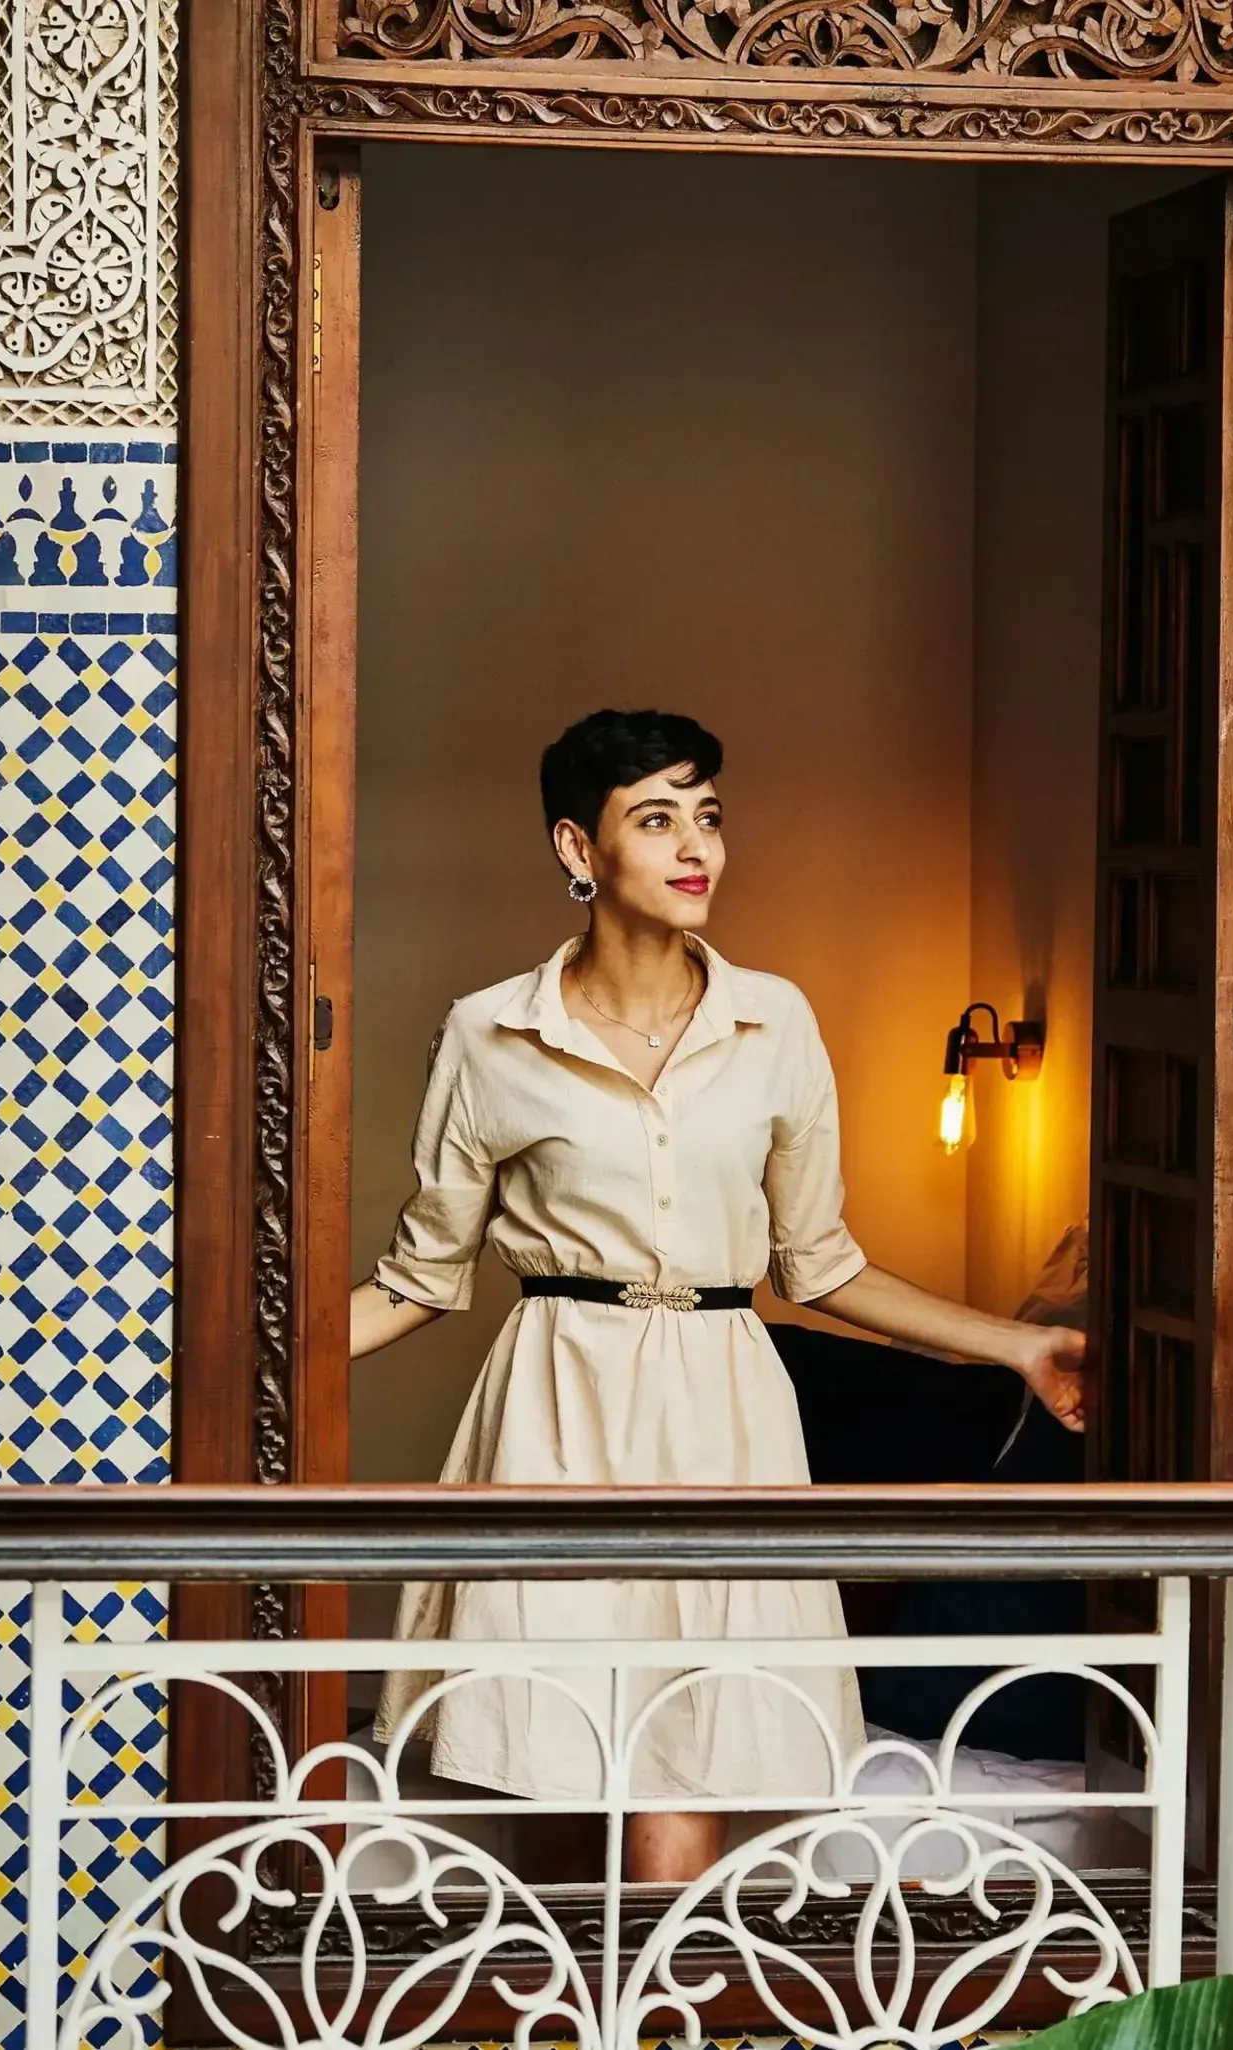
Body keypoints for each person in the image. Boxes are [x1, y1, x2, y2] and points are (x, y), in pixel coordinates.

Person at [350, 708, 1089, 1886]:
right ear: (578, 850)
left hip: (727, 1418)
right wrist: (246, 1365)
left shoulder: (776, 1020)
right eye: (656, 818)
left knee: (685, 1792)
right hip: (557, 1416)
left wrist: (1020, 1346)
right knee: (552, 1776)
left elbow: (823, 1261)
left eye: (708, 815)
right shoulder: (488, 1032)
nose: (696, 845)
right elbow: (419, 1277)